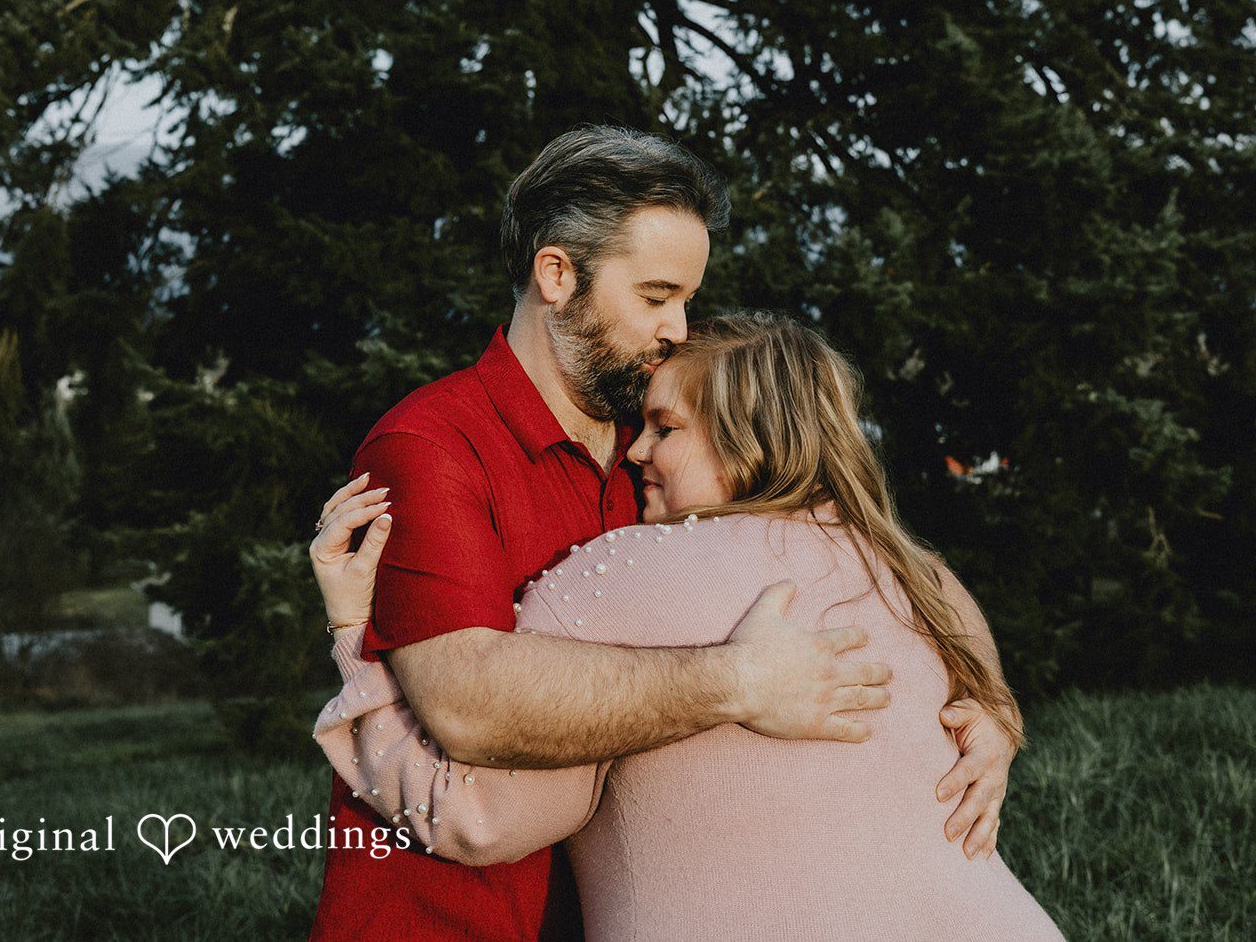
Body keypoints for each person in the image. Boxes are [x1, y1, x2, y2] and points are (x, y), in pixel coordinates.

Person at [308, 127, 1021, 941]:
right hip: (450, 918)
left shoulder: (666, 447)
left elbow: (878, 556)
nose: (680, 326)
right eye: (656, 296)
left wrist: (987, 704)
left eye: (686, 298)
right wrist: (737, 679)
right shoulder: (431, 446)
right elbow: (467, 701)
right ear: (556, 274)